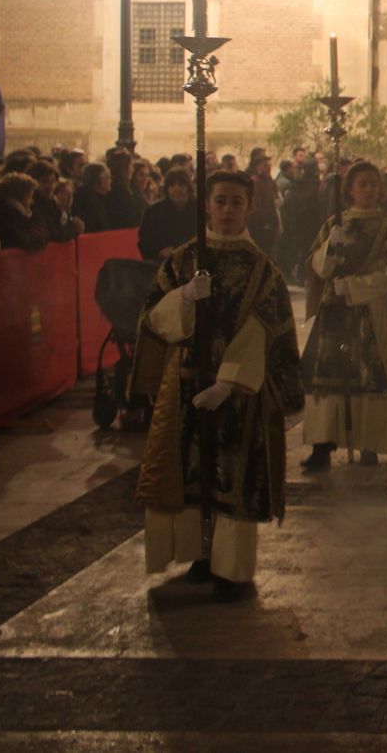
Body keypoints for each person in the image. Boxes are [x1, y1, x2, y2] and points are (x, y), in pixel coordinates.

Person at [130, 170, 303, 600]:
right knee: (190, 474)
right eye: (220, 201)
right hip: (184, 384)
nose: (227, 210)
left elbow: (265, 327)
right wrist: (183, 298)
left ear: (249, 207)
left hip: (238, 392)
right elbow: (152, 318)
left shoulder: (262, 269)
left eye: (236, 202)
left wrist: (228, 383)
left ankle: (232, 569)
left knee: (233, 475)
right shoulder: (183, 261)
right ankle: (198, 555)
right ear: (206, 205)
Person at [301, 161, 387, 468]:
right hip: (336, 314)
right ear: (350, 190)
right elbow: (319, 268)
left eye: (373, 184)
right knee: (329, 380)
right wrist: (331, 246)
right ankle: (322, 445)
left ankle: (371, 442)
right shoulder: (334, 224)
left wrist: (354, 287)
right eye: (362, 184)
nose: (368, 190)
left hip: (375, 310)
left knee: (375, 379)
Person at [139, 169, 198, 261]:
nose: (176, 189)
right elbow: (144, 242)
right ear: (167, 189)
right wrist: (159, 251)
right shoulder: (153, 212)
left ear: (188, 187)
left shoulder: (201, 210)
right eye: (172, 185)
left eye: (181, 185)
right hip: (161, 264)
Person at [0, 172, 46, 251]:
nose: (32, 201)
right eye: (29, 196)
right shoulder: (4, 216)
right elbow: (29, 241)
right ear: (18, 197)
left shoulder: (8, 211)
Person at [72, 162, 114, 234]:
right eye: (108, 177)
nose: (111, 181)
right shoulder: (88, 201)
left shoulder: (97, 198)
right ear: (100, 180)